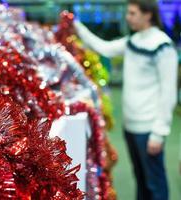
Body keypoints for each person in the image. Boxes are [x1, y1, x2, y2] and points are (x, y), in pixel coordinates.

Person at [74, 0, 178, 200]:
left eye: (132, 13)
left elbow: (168, 93)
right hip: (131, 127)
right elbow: (104, 48)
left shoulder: (162, 46)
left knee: (155, 184)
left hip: (149, 129)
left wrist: (159, 131)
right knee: (141, 179)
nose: (127, 17)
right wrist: (77, 27)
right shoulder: (133, 41)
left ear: (147, 15)